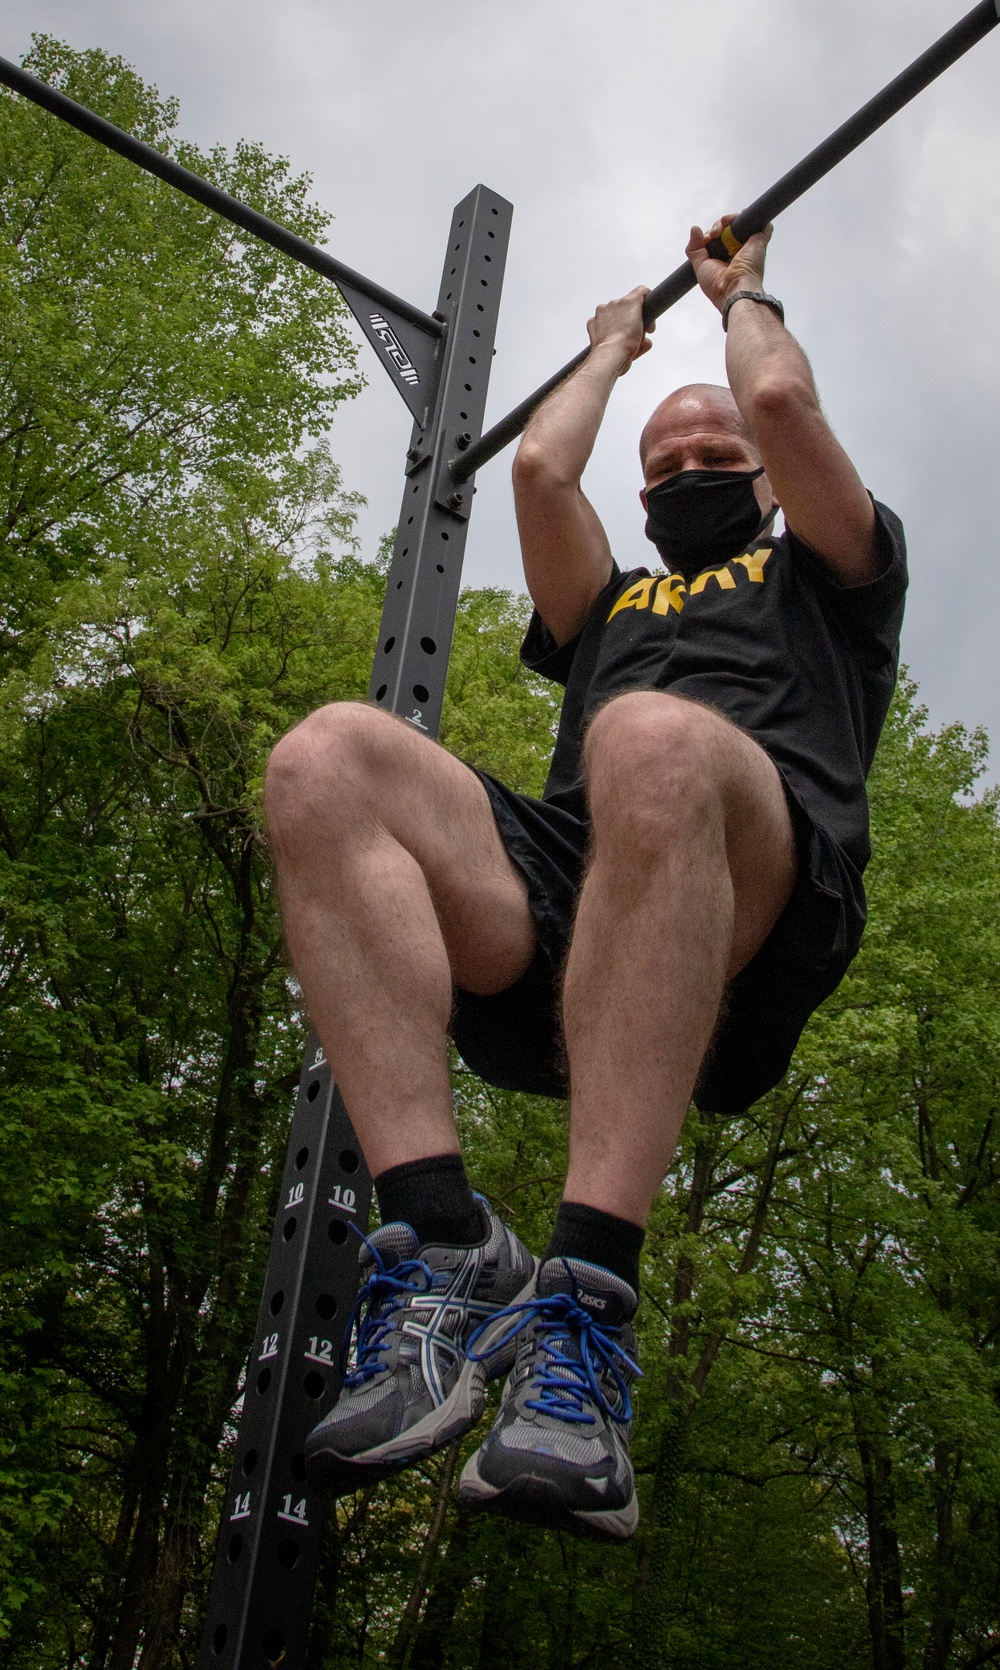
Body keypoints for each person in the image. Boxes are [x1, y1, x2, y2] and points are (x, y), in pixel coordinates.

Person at [264, 215, 907, 1543]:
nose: (681, 469)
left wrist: (743, 292)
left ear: (769, 480)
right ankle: (441, 1239)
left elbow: (779, 393)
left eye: (710, 454)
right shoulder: (610, 607)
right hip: (574, 912)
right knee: (324, 759)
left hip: (756, 903)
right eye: (663, 461)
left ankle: (587, 1315)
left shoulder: (832, 573)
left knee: (649, 740)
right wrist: (613, 346)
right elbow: (542, 476)